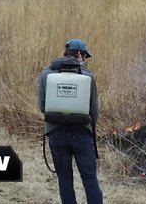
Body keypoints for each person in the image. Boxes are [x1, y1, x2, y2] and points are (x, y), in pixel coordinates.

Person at [38, 39, 103, 204]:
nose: (85, 60)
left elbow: (42, 106)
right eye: (85, 56)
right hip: (81, 135)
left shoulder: (46, 74)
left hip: (56, 135)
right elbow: (94, 111)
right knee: (89, 180)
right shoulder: (88, 76)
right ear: (79, 54)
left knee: (65, 181)